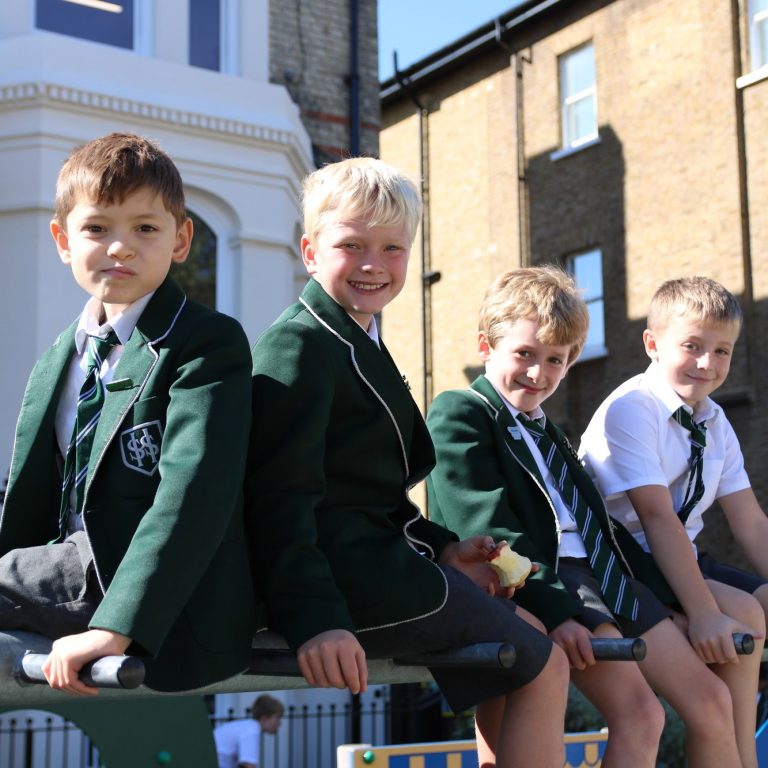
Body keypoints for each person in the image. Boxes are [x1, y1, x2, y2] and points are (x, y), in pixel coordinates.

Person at [245, 158, 570, 768]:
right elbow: (277, 499)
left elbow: (376, 495)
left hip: (380, 559)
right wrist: (316, 621)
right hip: (340, 581)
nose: (374, 264)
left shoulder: (354, 336)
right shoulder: (298, 344)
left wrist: (445, 546)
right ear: (310, 251)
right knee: (542, 661)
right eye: (353, 245)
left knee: (527, 637)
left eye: (393, 247)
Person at [426, 266, 762, 767]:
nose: (539, 374)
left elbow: (603, 533)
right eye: (524, 354)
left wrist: (672, 601)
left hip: (610, 581)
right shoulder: (460, 412)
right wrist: (558, 611)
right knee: (641, 715)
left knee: (707, 700)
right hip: (552, 582)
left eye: (555, 360)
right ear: (485, 346)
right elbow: (490, 527)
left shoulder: (551, 433)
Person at [0, 133, 257, 695]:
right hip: (59, 563)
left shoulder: (206, 343)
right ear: (63, 240)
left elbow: (193, 496)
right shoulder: (56, 360)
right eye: (97, 228)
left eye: (145, 228)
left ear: (181, 239)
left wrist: (117, 627)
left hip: (135, 580)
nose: (120, 247)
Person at [579, 275, 767, 763]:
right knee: (744, 616)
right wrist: (703, 613)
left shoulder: (712, 419)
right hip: (626, 561)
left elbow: (751, 522)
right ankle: (741, 756)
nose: (708, 363)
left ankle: (744, 753)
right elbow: (657, 520)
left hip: (679, 553)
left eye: (723, 351)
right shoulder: (633, 408)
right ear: (652, 343)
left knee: (764, 601)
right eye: (692, 345)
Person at [213, 694, 284, 768]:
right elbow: (249, 766)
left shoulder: (247, 726)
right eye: (277, 718)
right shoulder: (252, 730)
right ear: (264, 718)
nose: (280, 723)